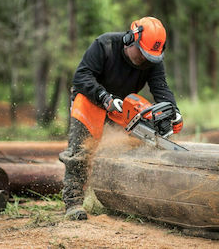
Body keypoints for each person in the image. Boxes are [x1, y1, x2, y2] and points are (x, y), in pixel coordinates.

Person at [59, 16, 183, 220]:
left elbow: (160, 86)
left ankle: (115, 196)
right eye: (143, 54)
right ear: (130, 39)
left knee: (127, 147)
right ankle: (73, 202)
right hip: (91, 98)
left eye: (150, 57)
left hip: (122, 106)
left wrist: (173, 110)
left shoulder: (153, 61)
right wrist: (104, 98)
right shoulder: (105, 45)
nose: (145, 60)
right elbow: (81, 77)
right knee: (81, 150)